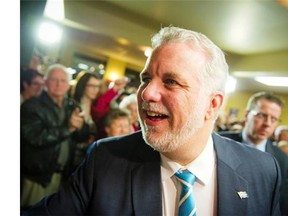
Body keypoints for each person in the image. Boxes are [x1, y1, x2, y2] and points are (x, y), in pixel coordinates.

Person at [23, 27, 281, 215]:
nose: (146, 93)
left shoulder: (262, 171)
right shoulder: (105, 160)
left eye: (170, 81)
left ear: (212, 104)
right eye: (146, 79)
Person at [20, 64, 90, 210]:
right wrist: (68, 128)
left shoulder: (72, 105)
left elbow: (82, 137)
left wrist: (81, 126)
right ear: (46, 82)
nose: (59, 84)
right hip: (37, 176)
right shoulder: (31, 106)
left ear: (68, 85)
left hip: (63, 177)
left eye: (63, 80)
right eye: (54, 80)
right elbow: (35, 138)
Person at [219, 91, 288, 215]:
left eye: (274, 119)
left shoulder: (281, 159)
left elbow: (280, 202)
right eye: (262, 115)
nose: (267, 124)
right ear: (246, 115)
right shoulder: (218, 142)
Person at [70, 71, 101, 167]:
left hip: (86, 157)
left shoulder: (94, 108)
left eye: (97, 86)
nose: (95, 89)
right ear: (83, 86)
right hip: (72, 156)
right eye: (92, 86)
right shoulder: (73, 106)